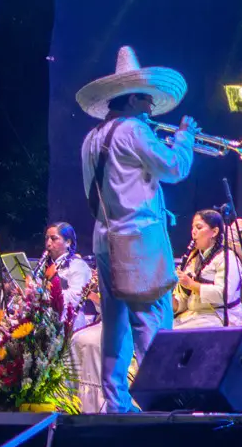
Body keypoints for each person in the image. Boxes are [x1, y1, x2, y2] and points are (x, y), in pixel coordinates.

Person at [77, 45, 195, 414]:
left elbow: (104, 192)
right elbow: (174, 168)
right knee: (153, 323)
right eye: (145, 99)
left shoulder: (92, 138)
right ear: (131, 100)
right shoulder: (133, 131)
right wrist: (185, 137)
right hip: (138, 242)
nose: (150, 107)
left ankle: (117, 403)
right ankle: (163, 400)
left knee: (115, 326)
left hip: (105, 238)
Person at [0, 223, 93, 359]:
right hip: (45, 326)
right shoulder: (46, 265)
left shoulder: (77, 265)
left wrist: (42, 290)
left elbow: (74, 299)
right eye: (46, 238)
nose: (48, 243)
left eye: (54, 239)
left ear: (68, 242)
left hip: (68, 327)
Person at [173, 210, 242, 329]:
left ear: (214, 232)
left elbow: (224, 295)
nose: (193, 232)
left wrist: (191, 284)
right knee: (161, 329)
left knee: (175, 333)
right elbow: (184, 298)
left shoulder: (227, 257)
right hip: (197, 316)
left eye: (199, 227)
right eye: (193, 228)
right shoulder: (193, 258)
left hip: (220, 317)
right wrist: (170, 300)